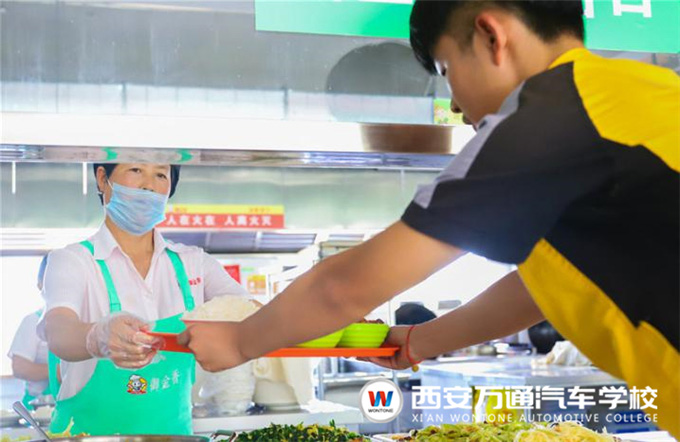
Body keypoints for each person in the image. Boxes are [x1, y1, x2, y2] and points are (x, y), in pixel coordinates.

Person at [180, 0, 679, 436]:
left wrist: (241, 341)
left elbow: (345, 288)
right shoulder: (645, 91)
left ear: (490, 35)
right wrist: (421, 341)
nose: (455, 104)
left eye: (446, 70)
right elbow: (540, 287)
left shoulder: (550, 116)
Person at [39, 163, 248, 435]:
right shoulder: (73, 261)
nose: (149, 185)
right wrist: (97, 337)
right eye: (136, 170)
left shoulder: (194, 262)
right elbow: (58, 329)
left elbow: (247, 312)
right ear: (102, 178)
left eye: (161, 174)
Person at [8, 255, 51, 410]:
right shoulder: (32, 322)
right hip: (40, 409)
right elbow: (20, 368)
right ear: (40, 285)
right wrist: (59, 372)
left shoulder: (86, 320)